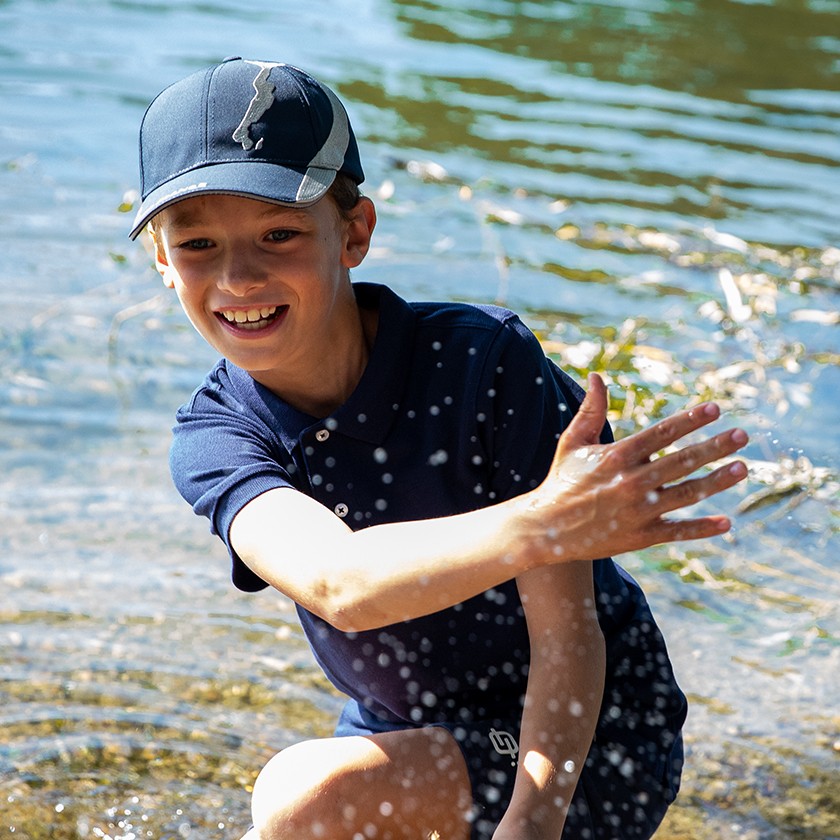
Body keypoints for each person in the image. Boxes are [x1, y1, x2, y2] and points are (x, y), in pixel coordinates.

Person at [129, 57, 749, 840]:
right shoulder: (217, 434)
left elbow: (568, 633)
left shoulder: (484, 364)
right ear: (162, 261)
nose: (239, 277)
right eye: (197, 245)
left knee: (301, 798)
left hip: (586, 741)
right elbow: (339, 582)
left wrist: (533, 822)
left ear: (353, 233)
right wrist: (543, 522)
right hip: (401, 729)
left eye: (279, 233)